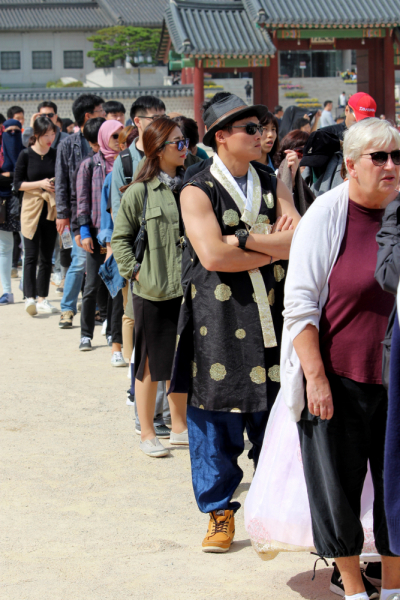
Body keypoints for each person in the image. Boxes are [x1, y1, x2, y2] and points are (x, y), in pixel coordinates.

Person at [170, 94, 300, 552]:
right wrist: (271, 247)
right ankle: (219, 513)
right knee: (214, 415)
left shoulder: (272, 179)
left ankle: (269, 516)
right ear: (220, 137)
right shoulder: (195, 188)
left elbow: (299, 240)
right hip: (218, 319)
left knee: (276, 418)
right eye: (250, 128)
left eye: (263, 126)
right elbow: (211, 254)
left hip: (272, 313)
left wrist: (243, 240)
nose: (263, 134)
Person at [281, 118, 400, 600]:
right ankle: (352, 584)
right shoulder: (326, 215)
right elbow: (300, 305)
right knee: (336, 488)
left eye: (397, 156)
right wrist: (315, 378)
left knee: (398, 486)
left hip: (395, 377)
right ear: (350, 165)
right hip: (337, 373)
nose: (391, 166)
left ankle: (393, 583)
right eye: (380, 157)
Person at [112, 116, 190, 457]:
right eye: (178, 143)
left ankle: (179, 426)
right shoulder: (139, 192)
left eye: (185, 141)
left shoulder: (193, 187)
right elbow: (120, 240)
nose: (185, 148)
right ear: (158, 150)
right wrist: (137, 273)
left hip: (187, 289)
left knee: (182, 361)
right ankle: (146, 431)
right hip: (152, 291)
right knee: (148, 363)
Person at [55, 93, 105, 329]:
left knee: (96, 263)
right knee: (79, 262)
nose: (104, 114)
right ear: (89, 115)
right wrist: (62, 214)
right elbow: (62, 181)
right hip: (78, 214)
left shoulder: (107, 140)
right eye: (100, 110)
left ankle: (94, 307)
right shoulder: (68, 144)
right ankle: (67, 308)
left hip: (102, 214)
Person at [77, 119, 124, 356]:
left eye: (121, 136)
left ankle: (110, 331)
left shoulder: (125, 165)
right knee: (92, 285)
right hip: (96, 234)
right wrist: (83, 231)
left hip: (118, 235)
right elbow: (82, 201)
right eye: (115, 136)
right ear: (104, 138)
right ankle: (86, 333)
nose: (119, 141)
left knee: (114, 285)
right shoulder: (89, 165)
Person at [14, 116, 58, 316]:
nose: (50, 138)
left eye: (52, 134)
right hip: (31, 209)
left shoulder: (56, 154)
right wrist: (40, 183)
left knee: (47, 257)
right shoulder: (25, 155)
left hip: (51, 209)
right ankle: (29, 297)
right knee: (30, 255)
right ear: (37, 135)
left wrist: (54, 185)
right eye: (46, 135)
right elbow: (18, 184)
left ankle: (42, 298)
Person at [111, 96, 166, 217]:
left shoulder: (171, 151)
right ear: (137, 121)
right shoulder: (124, 160)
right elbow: (117, 207)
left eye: (164, 118)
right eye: (155, 118)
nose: (161, 123)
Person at [0, 119, 23, 305]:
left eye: (17, 131)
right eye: (9, 131)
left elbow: (26, 174)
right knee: (4, 249)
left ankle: (26, 286)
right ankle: (7, 291)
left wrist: (9, 176)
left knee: (28, 248)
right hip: (3, 205)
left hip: (25, 203)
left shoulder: (25, 151)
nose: (13, 135)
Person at [275, 129, 314, 215]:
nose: (304, 158)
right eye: (299, 152)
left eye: (308, 153)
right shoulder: (273, 179)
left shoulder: (315, 180)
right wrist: (291, 180)